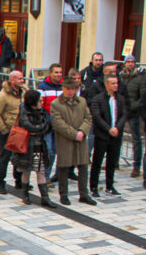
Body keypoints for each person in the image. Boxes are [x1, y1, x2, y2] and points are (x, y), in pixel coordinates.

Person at [53, 78, 96, 206]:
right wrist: (74, 134)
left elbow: (88, 118)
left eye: (73, 89)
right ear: (63, 88)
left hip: (80, 139)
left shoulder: (82, 101)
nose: (71, 91)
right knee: (64, 167)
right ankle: (64, 194)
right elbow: (58, 123)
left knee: (83, 166)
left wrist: (82, 131)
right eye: (68, 88)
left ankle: (84, 194)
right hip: (65, 140)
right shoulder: (56, 104)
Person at [13, 90, 55, 207]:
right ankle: (25, 194)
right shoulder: (24, 112)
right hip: (26, 146)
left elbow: (47, 125)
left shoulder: (41, 111)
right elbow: (29, 126)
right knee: (26, 170)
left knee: (40, 170)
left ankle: (45, 198)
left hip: (38, 146)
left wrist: (38, 129)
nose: (42, 102)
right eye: (40, 100)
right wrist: (40, 128)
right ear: (33, 101)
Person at [88, 74, 127, 197]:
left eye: (116, 83)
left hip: (116, 136)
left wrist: (117, 128)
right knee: (97, 162)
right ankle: (93, 186)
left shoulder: (120, 99)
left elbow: (124, 114)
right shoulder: (98, 99)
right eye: (113, 83)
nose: (116, 85)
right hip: (102, 135)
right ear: (106, 84)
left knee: (111, 161)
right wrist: (109, 129)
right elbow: (97, 117)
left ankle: (109, 186)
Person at [0, 70, 26, 193]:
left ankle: (19, 180)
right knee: (5, 157)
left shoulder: (24, 91)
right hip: (7, 132)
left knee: (19, 157)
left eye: (22, 78)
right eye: (19, 79)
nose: (22, 81)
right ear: (12, 80)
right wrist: (4, 130)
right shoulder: (2, 96)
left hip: (21, 131)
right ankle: (0, 183)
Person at [119, 56, 146, 179]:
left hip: (133, 112)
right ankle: (114, 161)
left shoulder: (140, 79)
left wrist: (131, 106)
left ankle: (136, 166)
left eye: (132, 62)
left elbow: (143, 97)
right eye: (128, 62)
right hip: (120, 111)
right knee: (116, 137)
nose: (130, 64)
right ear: (124, 64)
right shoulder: (120, 76)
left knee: (136, 139)